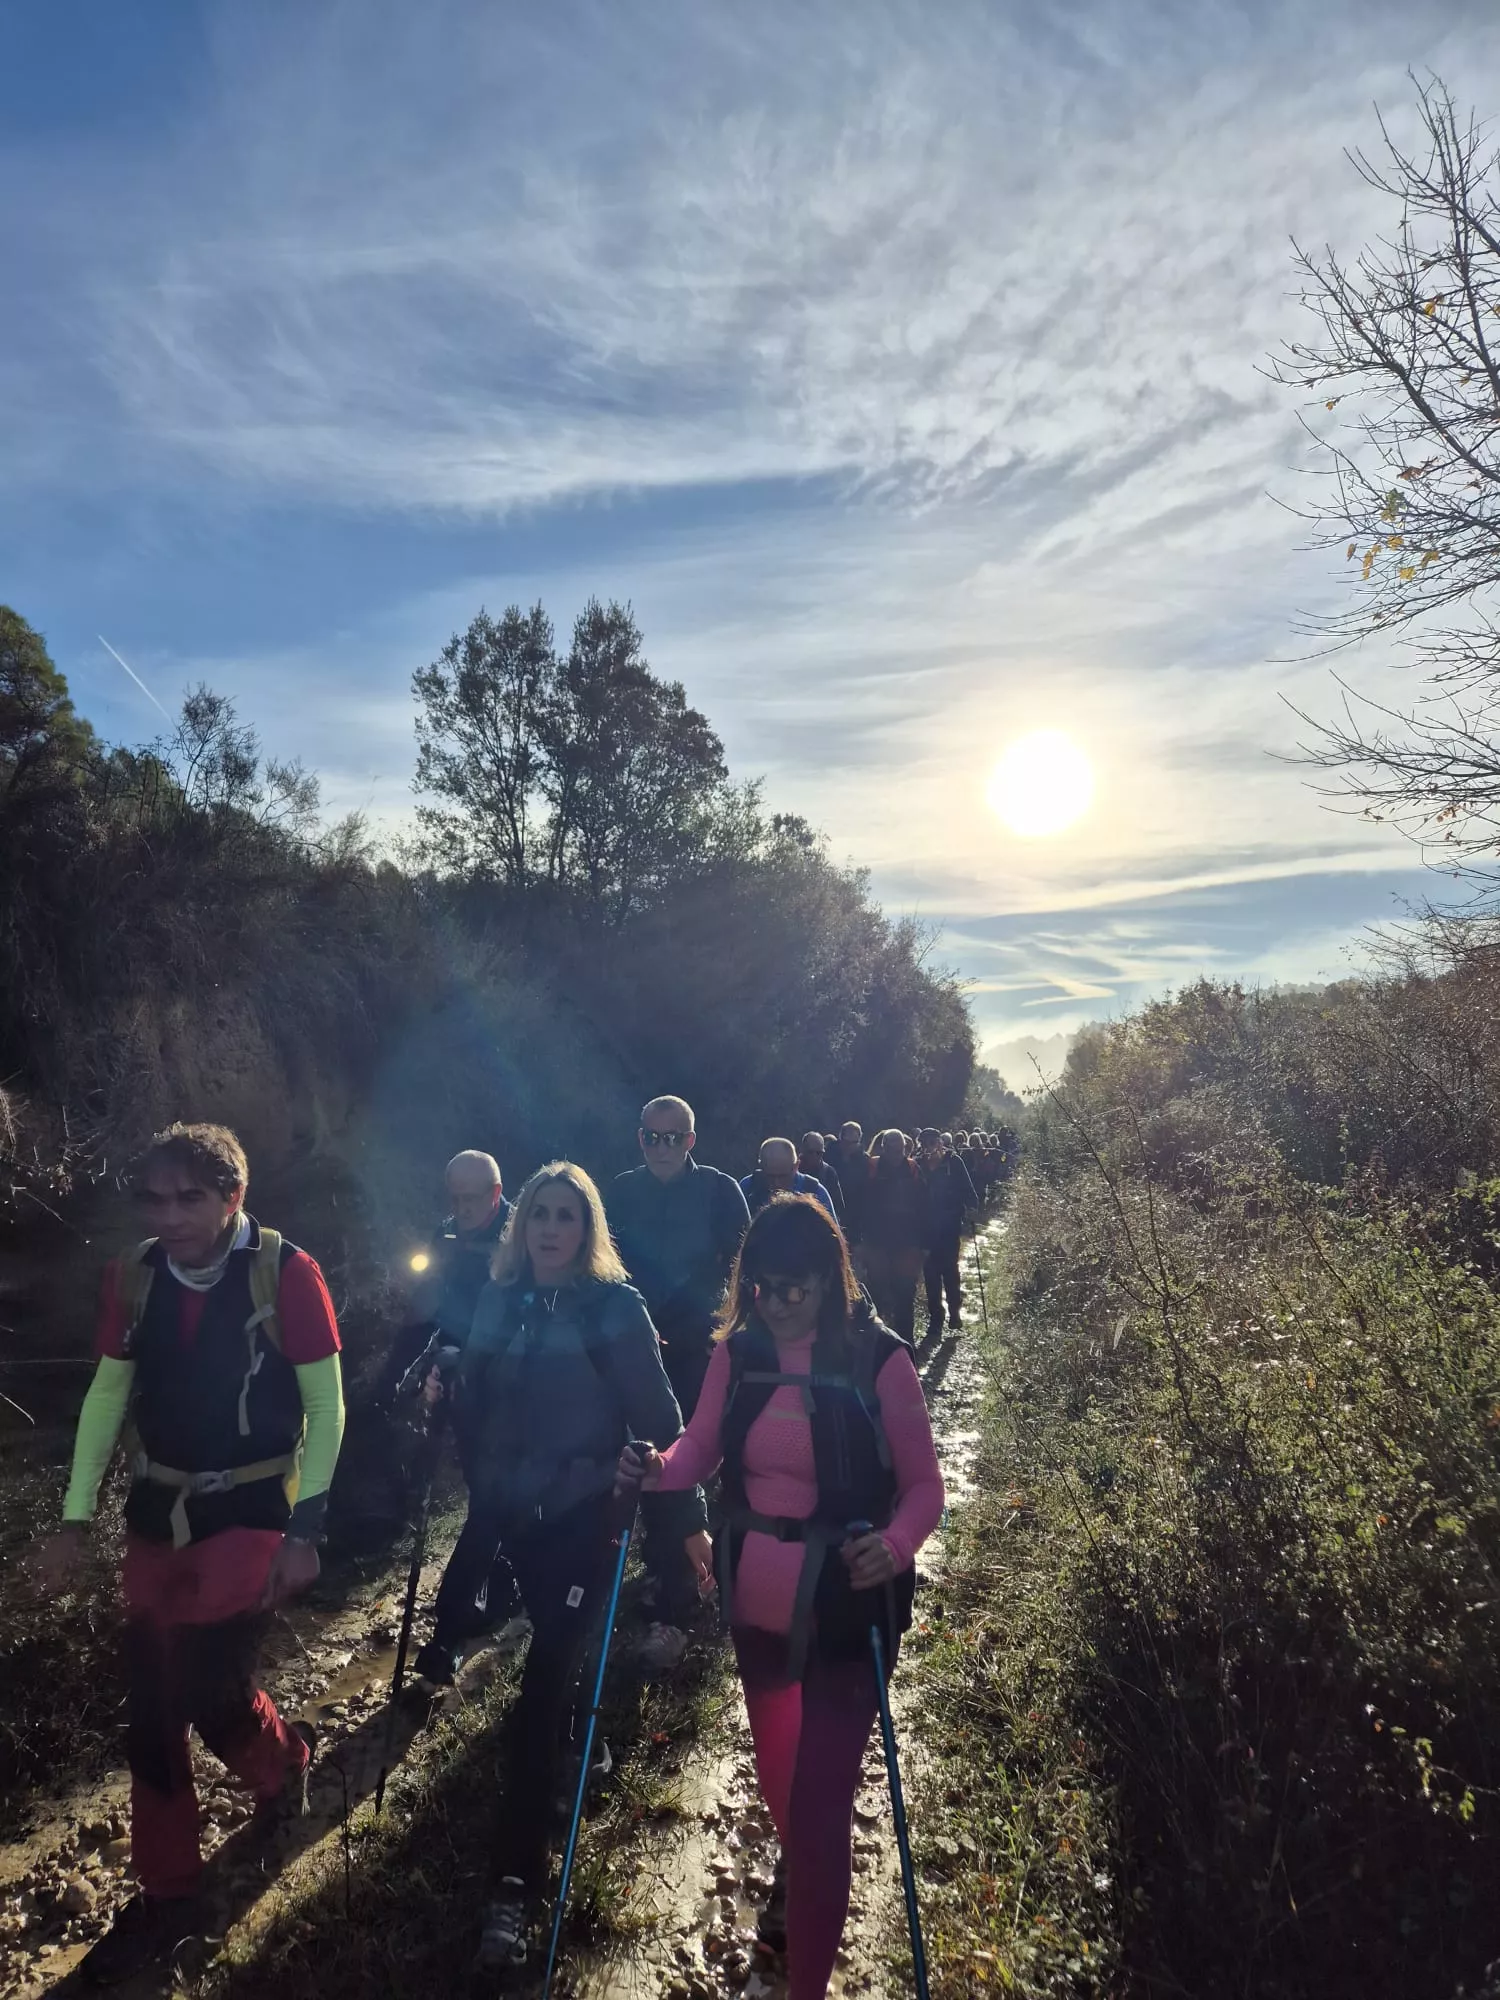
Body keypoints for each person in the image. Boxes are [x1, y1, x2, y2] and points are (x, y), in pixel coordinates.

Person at [31, 1123, 345, 1986]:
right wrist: (72, 1518)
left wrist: (306, 1533)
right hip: (156, 1505)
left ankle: (284, 1763)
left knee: (210, 1684)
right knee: (149, 1704)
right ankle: (170, 1884)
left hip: (252, 1504)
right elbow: (106, 1396)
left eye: (190, 1199)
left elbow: (327, 1404)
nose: (170, 1217)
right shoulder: (131, 1278)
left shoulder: (288, 1273)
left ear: (232, 1196)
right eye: (156, 1199)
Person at [617, 1195, 943, 2000]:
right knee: (779, 1785)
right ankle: (799, 1880)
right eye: (764, 1288)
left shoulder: (881, 1361)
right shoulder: (740, 1352)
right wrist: (657, 1467)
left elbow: (924, 1489)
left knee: (822, 1808)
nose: (779, 1303)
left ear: (829, 1283)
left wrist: (894, 1547)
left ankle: (807, 1982)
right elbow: (700, 1447)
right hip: (758, 1603)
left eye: (795, 1289)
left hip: (847, 1606)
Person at [416, 1162, 711, 1972]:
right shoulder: (497, 1298)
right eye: (539, 1214)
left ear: (588, 1230)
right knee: (559, 1654)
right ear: (521, 1225)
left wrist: (683, 1524)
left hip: (590, 1520)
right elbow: (480, 1392)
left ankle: (511, 1889)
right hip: (517, 1521)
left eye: (566, 1217)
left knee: (540, 1680)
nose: (549, 1228)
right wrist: (446, 1388)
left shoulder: (615, 1308)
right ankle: (583, 1743)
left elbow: (662, 1422)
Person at [607, 1095, 750, 1641]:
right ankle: (668, 1569)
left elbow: (746, 1264)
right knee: (648, 1451)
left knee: (694, 1452)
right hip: (636, 1346)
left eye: (673, 1137)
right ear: (639, 1137)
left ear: (691, 1140)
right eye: (651, 1136)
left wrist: (739, 1334)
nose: (661, 1147)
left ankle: (701, 1570)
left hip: (701, 1347)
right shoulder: (618, 1193)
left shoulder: (719, 1190)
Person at [378, 1150, 511, 1402]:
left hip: (501, 1356)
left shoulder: (520, 1237)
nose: (461, 1210)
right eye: (454, 1199)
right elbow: (426, 1304)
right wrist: (392, 1377)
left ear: (495, 1193)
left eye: (470, 1199)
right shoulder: (447, 1232)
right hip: (452, 1341)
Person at [858, 1131, 928, 1346]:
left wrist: (924, 1244)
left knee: (905, 1294)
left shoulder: (914, 1170)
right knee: (877, 1294)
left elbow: (926, 1207)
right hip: (876, 1242)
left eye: (901, 1150)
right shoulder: (870, 1168)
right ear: (884, 1147)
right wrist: (859, 1241)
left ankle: (906, 1346)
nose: (897, 1154)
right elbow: (858, 1204)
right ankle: (877, 1344)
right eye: (892, 1149)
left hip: (907, 1244)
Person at [916, 1127, 978, 1335]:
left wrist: (972, 1207)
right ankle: (936, 1318)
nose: (928, 1147)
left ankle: (955, 1313)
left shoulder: (954, 1162)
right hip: (925, 1229)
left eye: (932, 1142)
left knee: (950, 1271)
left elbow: (968, 1189)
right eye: (924, 1143)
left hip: (950, 1227)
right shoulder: (917, 1164)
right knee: (930, 1273)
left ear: (940, 1143)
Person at [741, 1138, 838, 1222]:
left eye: (783, 1176)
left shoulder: (815, 1192)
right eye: (770, 1176)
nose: (776, 1183)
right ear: (761, 1166)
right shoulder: (748, 1188)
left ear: (796, 1166)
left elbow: (833, 1239)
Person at [797, 1131, 845, 1222]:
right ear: (802, 1149)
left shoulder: (829, 1173)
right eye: (810, 1152)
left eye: (819, 1153)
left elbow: (837, 1206)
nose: (814, 1156)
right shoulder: (791, 1170)